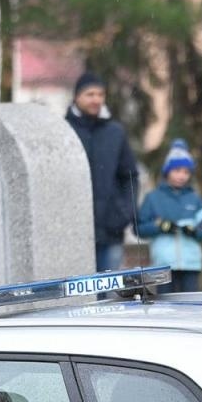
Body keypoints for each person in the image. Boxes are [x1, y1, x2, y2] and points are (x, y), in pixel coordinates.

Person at [65, 70, 140, 272]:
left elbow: (129, 176)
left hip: (111, 229)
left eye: (100, 95)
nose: (96, 100)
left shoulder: (115, 132)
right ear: (77, 97)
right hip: (73, 231)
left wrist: (126, 213)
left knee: (108, 297)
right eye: (90, 94)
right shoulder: (63, 130)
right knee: (79, 295)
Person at [135, 139, 202, 293]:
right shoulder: (153, 198)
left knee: (191, 306)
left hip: (191, 264)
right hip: (163, 265)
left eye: (186, 172)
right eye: (177, 171)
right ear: (167, 171)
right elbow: (139, 228)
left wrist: (194, 231)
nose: (182, 176)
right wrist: (160, 227)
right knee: (167, 308)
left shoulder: (195, 199)